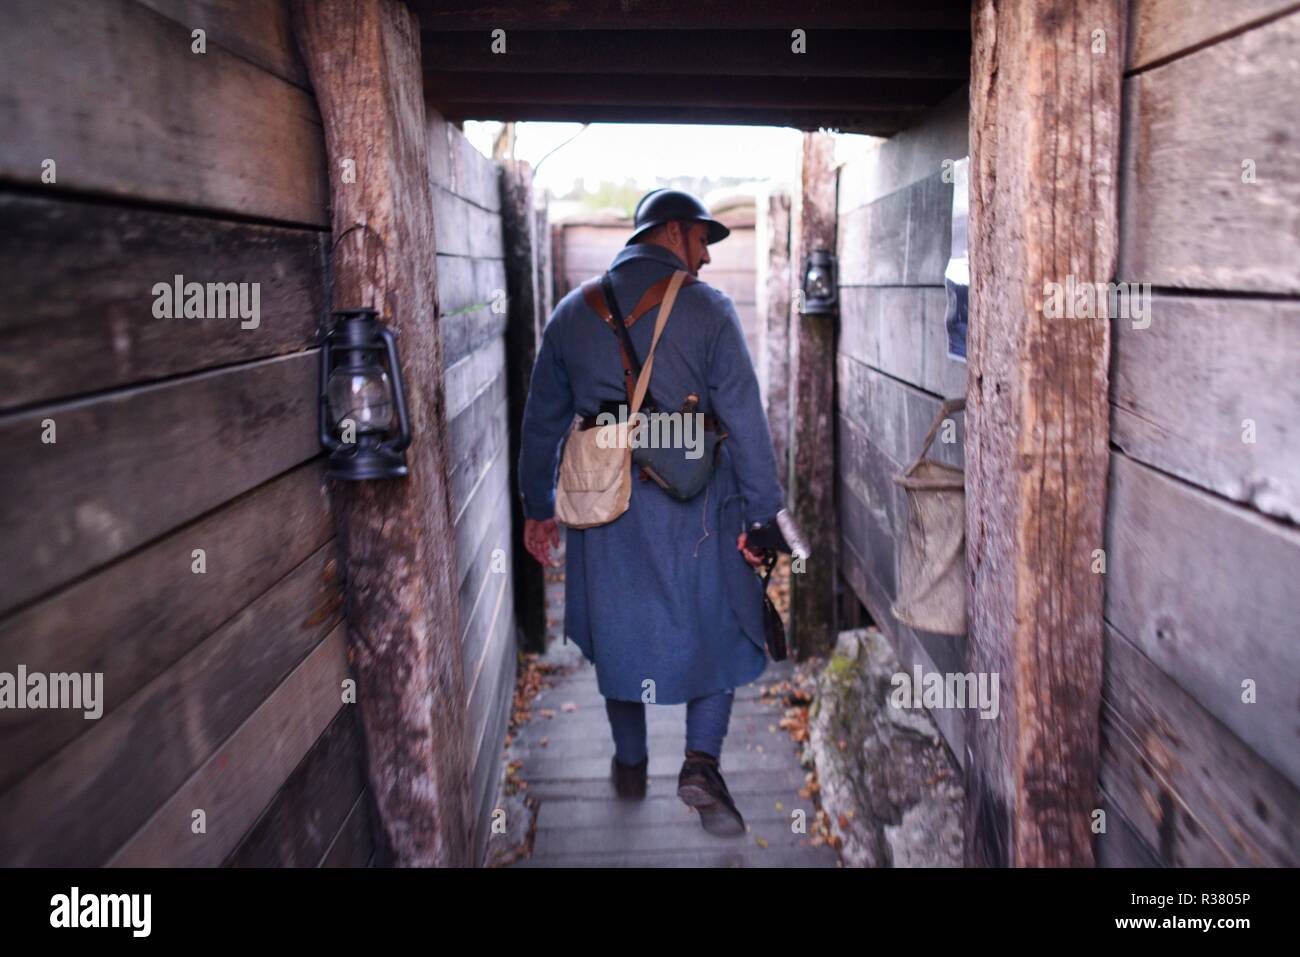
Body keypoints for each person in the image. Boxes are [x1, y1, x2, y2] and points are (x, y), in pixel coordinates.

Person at [518, 188, 785, 836]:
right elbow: (746, 422)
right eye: (700, 241)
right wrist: (762, 515)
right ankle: (700, 761)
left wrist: (538, 507)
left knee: (620, 632)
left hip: (602, 505)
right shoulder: (710, 311)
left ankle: (630, 762)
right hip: (698, 507)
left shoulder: (569, 314)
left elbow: (542, 422)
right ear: (671, 232)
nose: (706, 260)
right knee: (718, 624)